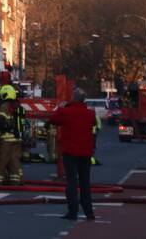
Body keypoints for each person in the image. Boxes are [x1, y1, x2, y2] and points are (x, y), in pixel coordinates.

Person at [49, 88, 96, 221]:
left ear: (73, 98)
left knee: (71, 182)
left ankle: (73, 211)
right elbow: (92, 124)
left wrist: (61, 107)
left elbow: (53, 119)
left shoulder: (66, 112)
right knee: (85, 183)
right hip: (85, 152)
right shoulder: (90, 114)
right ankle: (89, 212)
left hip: (69, 151)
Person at [0, 85, 25, 185]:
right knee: (14, 160)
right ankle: (16, 180)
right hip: (17, 139)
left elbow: (0, 122)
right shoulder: (18, 106)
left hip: (6, 139)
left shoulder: (4, 106)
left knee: (1, 160)